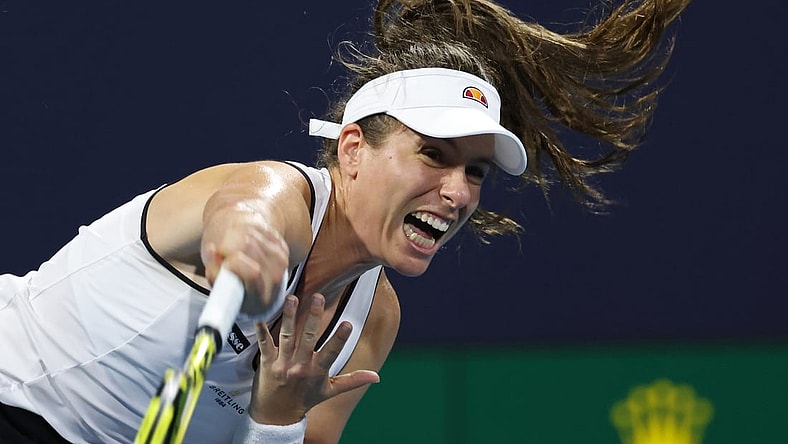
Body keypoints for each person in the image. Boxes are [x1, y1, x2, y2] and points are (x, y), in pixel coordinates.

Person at [0, 0, 691, 442]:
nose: (456, 192)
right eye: (433, 157)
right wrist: (245, 249)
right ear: (354, 150)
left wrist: (274, 415)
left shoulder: (373, 319)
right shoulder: (277, 195)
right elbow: (244, 211)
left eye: (474, 172)